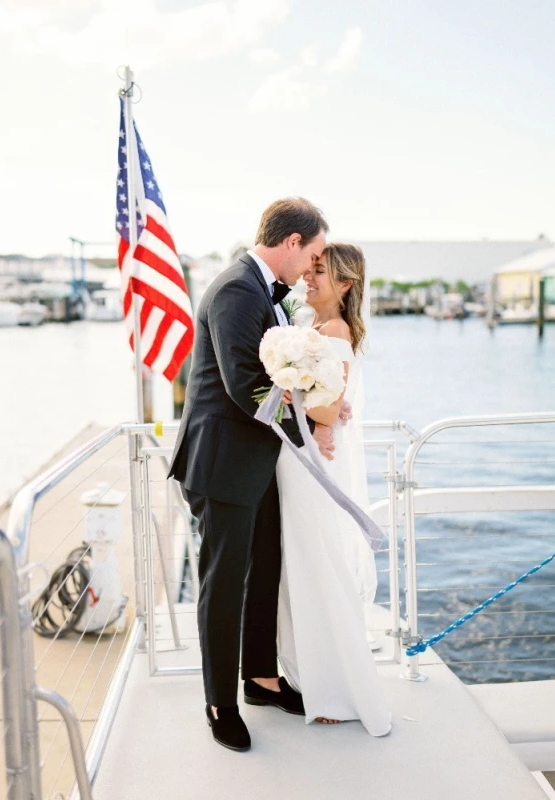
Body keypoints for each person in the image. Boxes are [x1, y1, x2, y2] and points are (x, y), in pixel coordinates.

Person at [168, 197, 337, 752]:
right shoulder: (238, 289)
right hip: (221, 463)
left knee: (265, 566)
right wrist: (308, 419)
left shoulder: (264, 291)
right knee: (223, 585)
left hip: (257, 461)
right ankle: (220, 702)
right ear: (291, 242)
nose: (312, 266)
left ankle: (261, 679)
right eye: (311, 254)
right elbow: (246, 383)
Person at [276, 242, 392, 734]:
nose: (309, 276)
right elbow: (324, 405)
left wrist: (286, 386)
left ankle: (338, 688)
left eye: (319, 272)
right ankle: (305, 675)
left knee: (318, 563)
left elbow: (326, 410)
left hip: (314, 466)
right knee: (299, 563)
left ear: (345, 285)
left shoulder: (337, 331)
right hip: (297, 457)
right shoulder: (312, 330)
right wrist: (292, 383)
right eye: (310, 268)